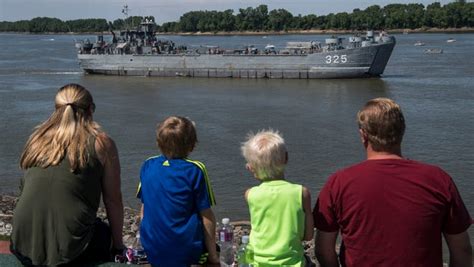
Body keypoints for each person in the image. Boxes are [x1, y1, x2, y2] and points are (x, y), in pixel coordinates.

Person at [313, 98, 472, 267]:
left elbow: (323, 249)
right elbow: (462, 250)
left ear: (363, 135)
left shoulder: (339, 183)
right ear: (402, 131)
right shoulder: (438, 179)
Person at [11, 83, 124, 265]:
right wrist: (118, 246)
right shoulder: (102, 143)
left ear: (56, 109)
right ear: (90, 110)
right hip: (72, 252)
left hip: (21, 245)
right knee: (102, 232)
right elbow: (113, 199)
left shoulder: (37, 138)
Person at [136, 116, 219, 266]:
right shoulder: (195, 170)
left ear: (158, 143)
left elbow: (144, 209)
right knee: (207, 225)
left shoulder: (147, 165)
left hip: (152, 249)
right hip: (186, 253)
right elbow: (207, 216)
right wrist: (213, 258)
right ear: (192, 145)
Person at [241, 130, 314, 266]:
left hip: (258, 263)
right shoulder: (302, 193)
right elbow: (309, 235)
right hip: (293, 263)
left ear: (250, 168)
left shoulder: (250, 194)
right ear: (286, 158)